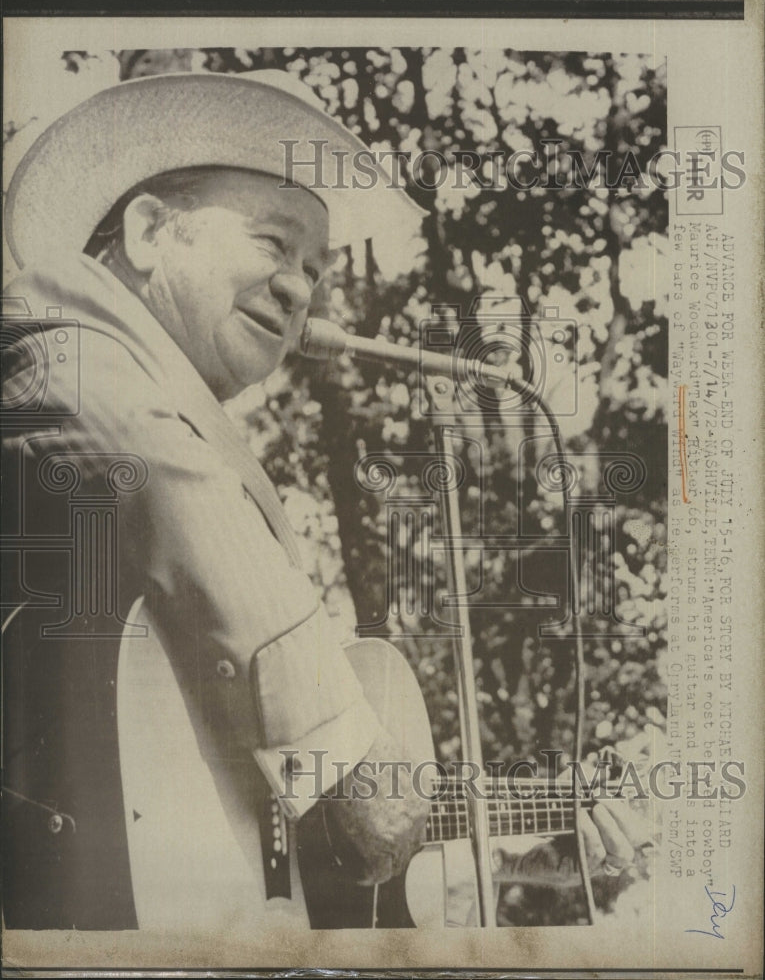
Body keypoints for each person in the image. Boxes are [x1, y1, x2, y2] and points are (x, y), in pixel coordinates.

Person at [2, 69, 649, 933]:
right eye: (275, 243)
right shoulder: (57, 344)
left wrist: (532, 832)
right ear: (151, 230)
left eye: (315, 268)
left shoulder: (190, 444)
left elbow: (279, 828)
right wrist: (349, 752)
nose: (299, 288)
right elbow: (158, 477)